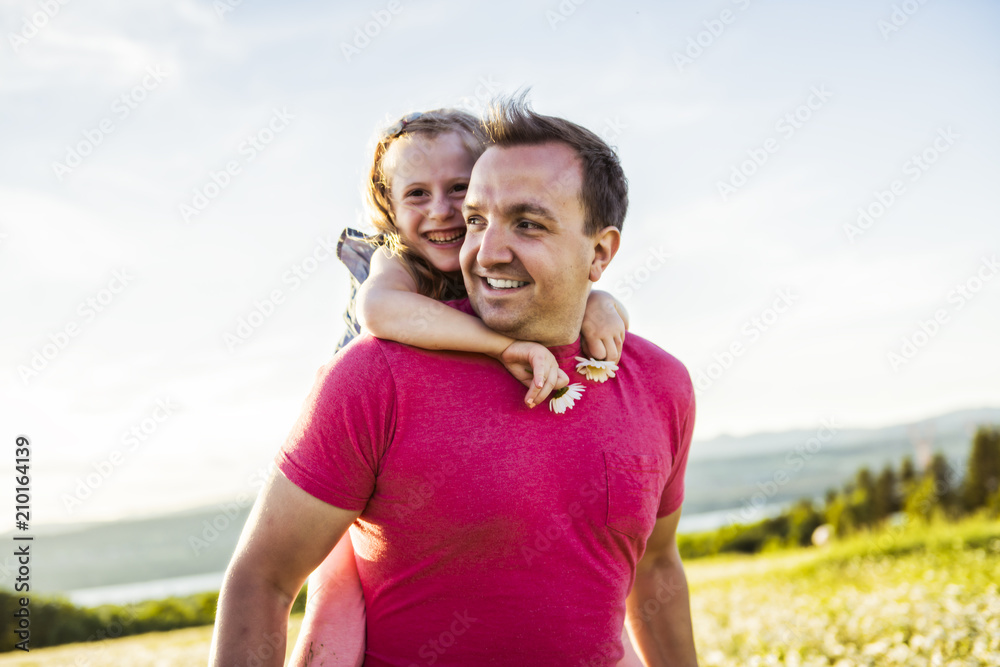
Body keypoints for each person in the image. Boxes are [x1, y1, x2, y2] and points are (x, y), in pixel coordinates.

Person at [209, 95, 698, 666]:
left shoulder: (660, 383)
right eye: (477, 221)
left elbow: (657, 564)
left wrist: (597, 304)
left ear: (601, 252)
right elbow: (263, 578)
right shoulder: (374, 370)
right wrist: (508, 343)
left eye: (528, 223)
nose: (485, 251)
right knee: (331, 613)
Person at [290, 108, 636, 665]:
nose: (442, 212)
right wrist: (501, 346)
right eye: (417, 195)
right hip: (356, 455)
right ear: (388, 209)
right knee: (334, 600)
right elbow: (379, 310)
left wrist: (600, 302)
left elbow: (562, 280)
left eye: (458, 189)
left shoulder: (493, 259)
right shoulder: (396, 262)